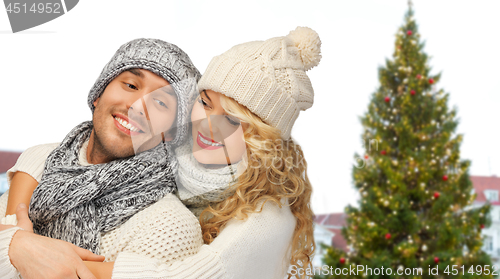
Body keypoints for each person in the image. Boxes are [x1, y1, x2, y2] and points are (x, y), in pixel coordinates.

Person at [1, 26, 321, 279]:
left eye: (233, 120)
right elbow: (48, 156)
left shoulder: (266, 220)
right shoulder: (180, 165)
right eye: (205, 103)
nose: (208, 125)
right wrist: (20, 236)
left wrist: (46, 256)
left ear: (262, 141)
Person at [0, 38, 204, 278]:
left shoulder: (171, 227)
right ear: (98, 94)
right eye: (130, 85)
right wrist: (15, 245)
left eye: (160, 102)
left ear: (171, 133)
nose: (138, 106)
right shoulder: (40, 160)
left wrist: (16, 244)